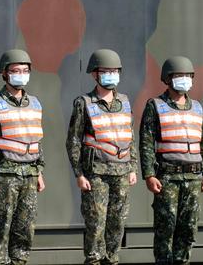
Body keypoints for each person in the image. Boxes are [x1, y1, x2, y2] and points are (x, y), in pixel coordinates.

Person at [65, 49, 138, 265]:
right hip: (95, 174)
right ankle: (94, 261)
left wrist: (133, 167)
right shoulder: (84, 102)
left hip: (122, 173)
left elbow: (129, 136)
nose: (111, 75)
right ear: (94, 74)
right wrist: (79, 174)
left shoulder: (124, 101)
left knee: (117, 224)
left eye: (114, 71)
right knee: (96, 224)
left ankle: (112, 260)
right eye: (106, 71)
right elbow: (73, 141)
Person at [139, 56, 203, 265]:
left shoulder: (197, 107)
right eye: (179, 76)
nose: (184, 80)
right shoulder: (156, 105)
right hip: (168, 177)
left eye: (188, 76)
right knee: (166, 228)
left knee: (189, 227)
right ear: (167, 79)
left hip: (194, 177)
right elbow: (146, 143)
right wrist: (149, 175)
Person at [0, 49, 45, 265]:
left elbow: (36, 139)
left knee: (25, 228)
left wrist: (39, 171)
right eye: (15, 70)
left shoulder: (34, 103)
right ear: (4, 74)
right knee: (2, 227)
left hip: (30, 175)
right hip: (5, 174)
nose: (21, 75)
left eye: (25, 70)